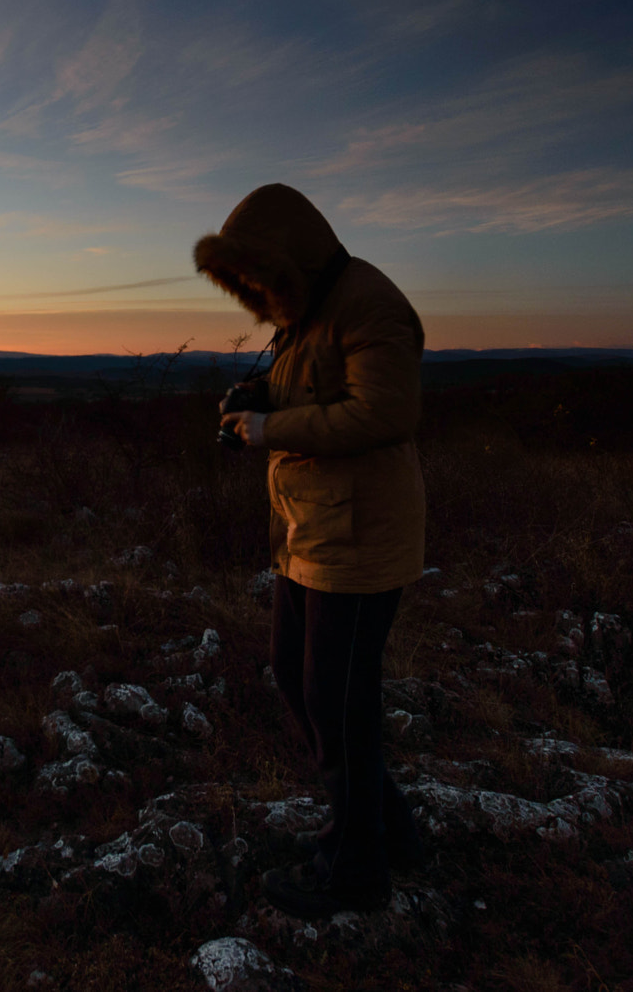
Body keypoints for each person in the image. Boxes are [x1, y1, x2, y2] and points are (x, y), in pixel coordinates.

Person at [194, 182, 427, 918]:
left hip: (357, 542)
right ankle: (394, 833)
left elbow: (382, 412)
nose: (255, 292)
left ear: (288, 255)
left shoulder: (368, 304)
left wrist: (271, 430)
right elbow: (318, 391)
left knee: (339, 702)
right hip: (310, 535)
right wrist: (261, 398)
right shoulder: (308, 312)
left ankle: (354, 869)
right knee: (298, 683)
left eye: (259, 275)